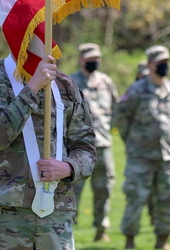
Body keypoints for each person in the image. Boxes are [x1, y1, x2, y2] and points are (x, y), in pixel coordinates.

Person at [0, 52, 96, 249]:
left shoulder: (65, 85)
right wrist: (33, 87)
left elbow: (85, 146)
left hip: (56, 211)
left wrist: (68, 168)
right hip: (4, 212)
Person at [114, 45, 170, 250]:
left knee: (168, 200)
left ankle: (162, 240)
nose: (164, 66)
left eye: (166, 62)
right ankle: (130, 240)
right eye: (159, 63)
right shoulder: (136, 90)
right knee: (135, 199)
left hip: (167, 157)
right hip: (141, 157)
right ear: (150, 65)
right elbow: (121, 117)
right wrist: (132, 141)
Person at [70, 43, 118, 242]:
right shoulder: (70, 82)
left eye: (97, 58)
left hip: (103, 145)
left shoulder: (106, 82)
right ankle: (68, 227)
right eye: (90, 58)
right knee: (73, 190)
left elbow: (116, 110)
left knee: (104, 188)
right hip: (77, 146)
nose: (94, 61)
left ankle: (101, 229)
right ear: (81, 60)